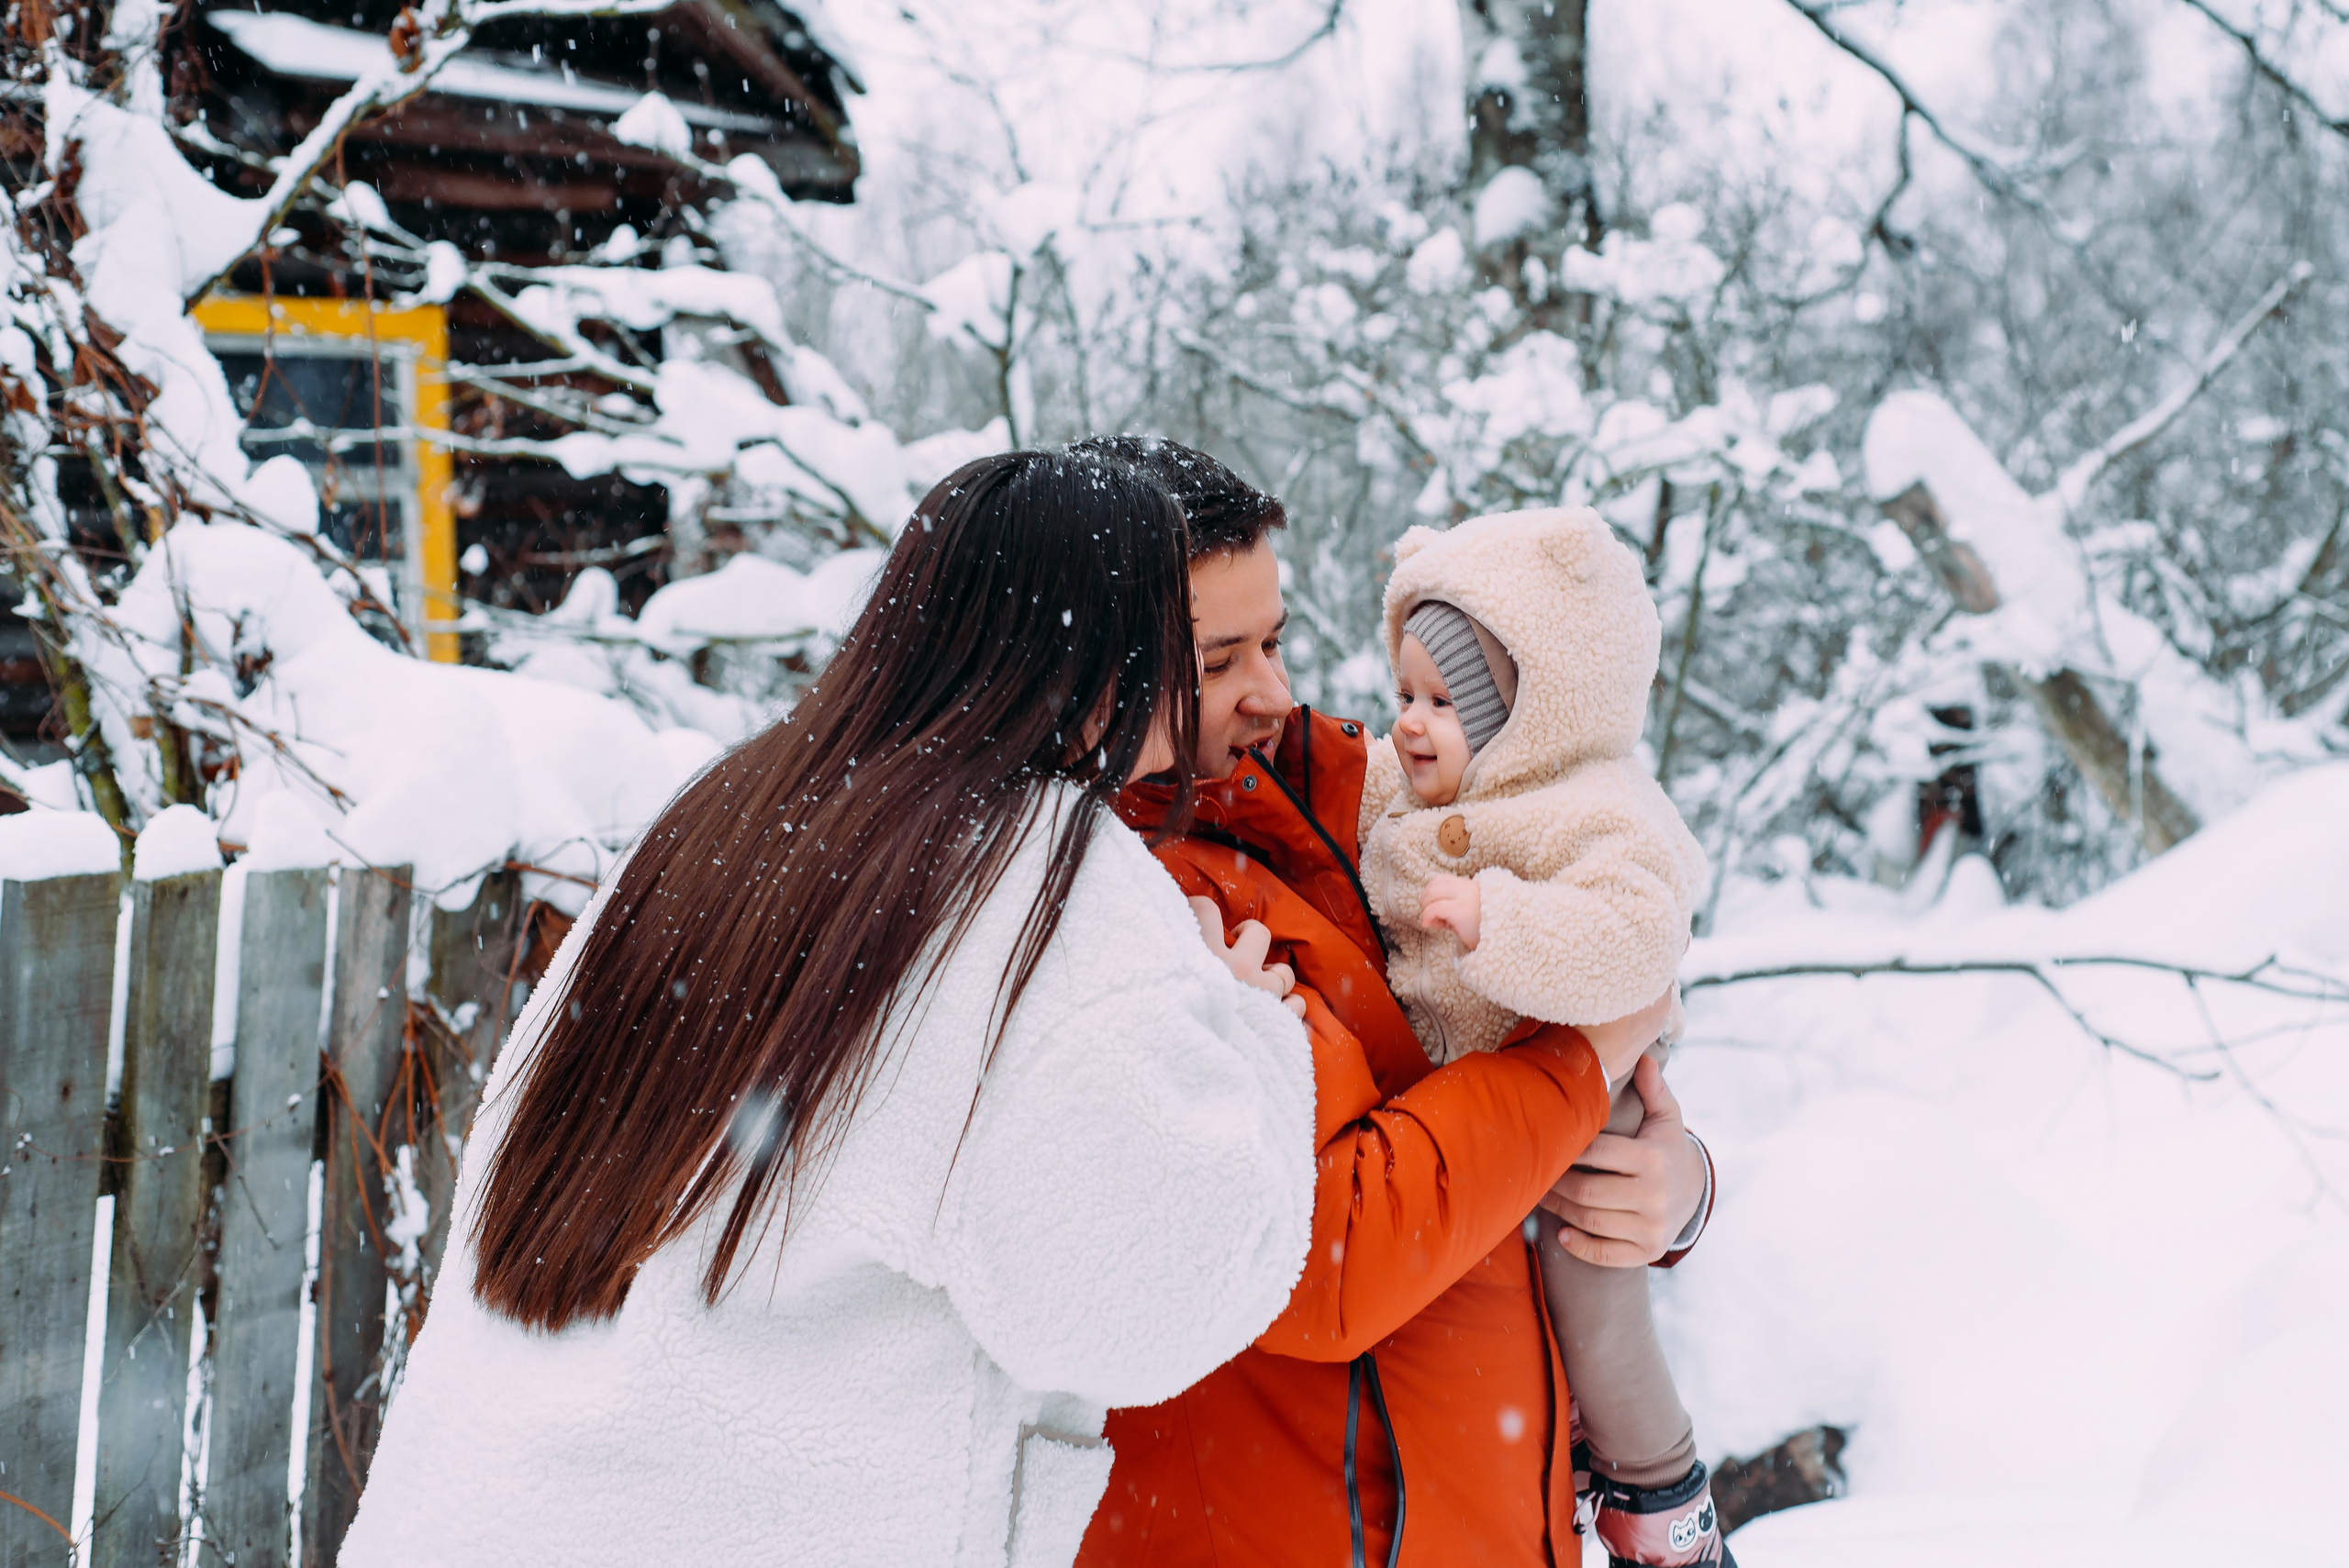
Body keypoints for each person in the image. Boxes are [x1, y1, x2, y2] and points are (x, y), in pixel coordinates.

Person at [341, 451, 1324, 1568]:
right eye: (1187, 647)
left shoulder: (730, 810)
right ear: (1101, 651)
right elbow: (1138, 1304)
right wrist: (1241, 1032)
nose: (1237, 690)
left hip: (493, 1513)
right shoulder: (1037, 881)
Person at [1069, 438, 1713, 1568]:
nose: (1274, 690)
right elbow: (1331, 1257)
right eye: (1222, 660)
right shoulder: (1105, 898)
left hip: (1486, 1515)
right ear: (1086, 672)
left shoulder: (1328, 788)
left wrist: (1669, 1185)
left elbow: (1523, 1008)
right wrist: (1581, 1064)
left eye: (1273, 641)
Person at [1365, 508, 1728, 1568]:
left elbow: (1633, 937)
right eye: (1403, 696)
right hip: (1488, 1118)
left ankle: (1661, 1494)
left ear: (1527, 712)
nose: (1411, 725)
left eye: (1444, 703)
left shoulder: (1598, 808)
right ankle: (1571, 1472)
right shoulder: (1405, 784)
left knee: (1591, 1279)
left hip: (1587, 1106)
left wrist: (1501, 922)